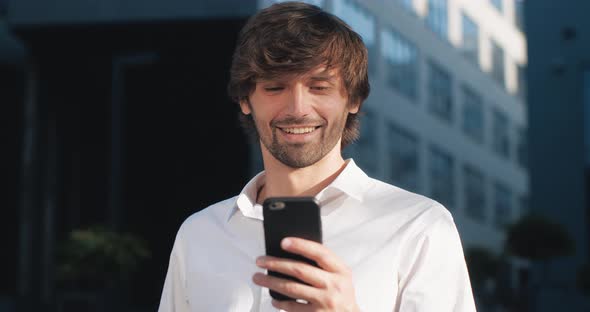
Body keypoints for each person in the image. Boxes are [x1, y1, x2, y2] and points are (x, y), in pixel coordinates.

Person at [158, 1, 477, 311]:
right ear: (245, 100)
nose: (298, 109)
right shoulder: (199, 234)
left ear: (353, 99)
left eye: (319, 87)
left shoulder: (419, 226)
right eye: (274, 88)